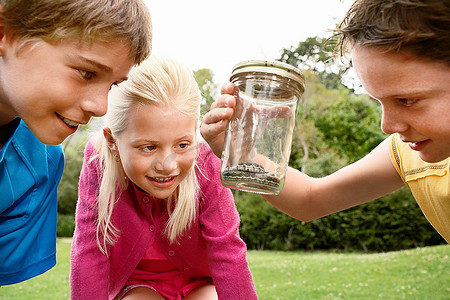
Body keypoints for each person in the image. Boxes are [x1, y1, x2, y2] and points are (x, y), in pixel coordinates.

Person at [200, 0, 450, 243]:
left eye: (406, 100)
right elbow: (310, 200)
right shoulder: (406, 154)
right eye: (378, 101)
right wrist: (242, 152)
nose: (387, 126)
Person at [70, 56, 257, 300]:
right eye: (149, 147)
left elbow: (227, 249)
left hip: (201, 280)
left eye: (182, 144)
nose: (167, 165)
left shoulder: (206, 161)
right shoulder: (99, 162)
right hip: (140, 283)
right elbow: (90, 249)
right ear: (113, 142)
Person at [0, 0, 152, 285]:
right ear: (4, 34)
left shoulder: (41, 164)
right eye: (87, 73)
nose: (101, 106)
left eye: (113, 85)